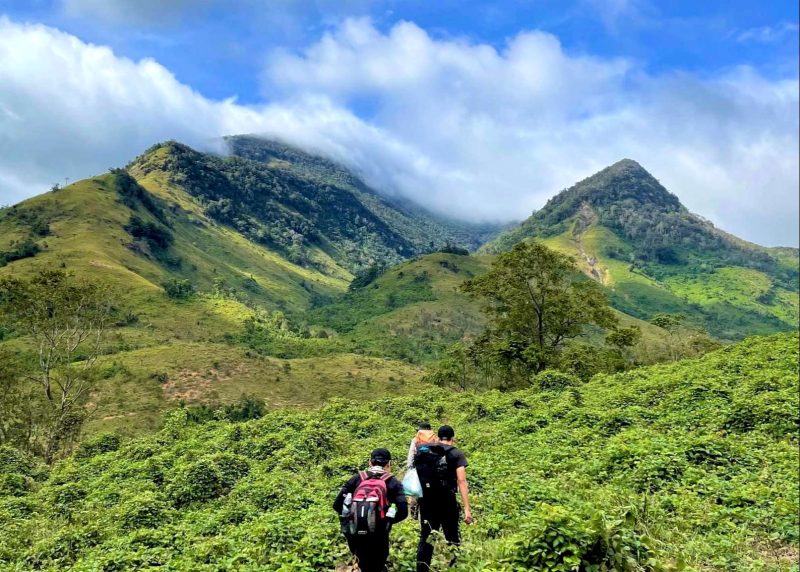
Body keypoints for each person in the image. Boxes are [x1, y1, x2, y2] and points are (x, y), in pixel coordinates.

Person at [334, 448, 408, 572]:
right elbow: (403, 511)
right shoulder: (393, 482)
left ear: (370, 462)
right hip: (379, 534)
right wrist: (386, 520)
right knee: (378, 565)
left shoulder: (357, 478)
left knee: (361, 563)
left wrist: (353, 518)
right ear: (389, 464)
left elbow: (337, 505)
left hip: (356, 533)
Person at [414, 425, 472, 571]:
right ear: (453, 438)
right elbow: (461, 481)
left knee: (426, 538)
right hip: (447, 501)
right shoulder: (456, 453)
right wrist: (467, 509)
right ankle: (454, 567)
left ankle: (422, 569)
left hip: (426, 501)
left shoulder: (425, 451)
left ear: (438, 438)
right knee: (452, 537)